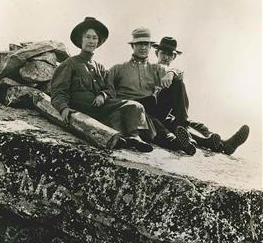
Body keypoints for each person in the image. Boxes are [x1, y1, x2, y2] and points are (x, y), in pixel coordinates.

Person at [51, 17, 154, 152]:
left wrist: (102, 95)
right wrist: (63, 108)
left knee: (134, 106)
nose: (91, 41)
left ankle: (134, 137)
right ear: (81, 40)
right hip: (81, 108)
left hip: (100, 109)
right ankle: (124, 138)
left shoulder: (100, 67)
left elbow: (110, 89)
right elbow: (59, 90)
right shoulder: (69, 64)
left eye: (94, 38)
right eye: (88, 37)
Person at [153, 36, 250, 155]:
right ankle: (194, 133)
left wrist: (172, 72)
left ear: (174, 57)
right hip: (153, 114)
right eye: (163, 53)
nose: (166, 57)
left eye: (170, 55)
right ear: (157, 53)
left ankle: (219, 143)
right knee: (178, 87)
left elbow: (178, 72)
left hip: (169, 117)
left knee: (194, 124)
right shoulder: (149, 69)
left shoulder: (173, 72)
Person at [108, 27, 197, 155]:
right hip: (132, 110)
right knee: (155, 124)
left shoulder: (154, 68)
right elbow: (108, 90)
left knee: (177, 83)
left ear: (150, 47)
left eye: (146, 44)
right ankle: (176, 142)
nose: (143, 47)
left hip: (152, 107)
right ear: (132, 46)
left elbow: (176, 72)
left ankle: (182, 127)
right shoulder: (119, 68)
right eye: (139, 44)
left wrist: (171, 72)